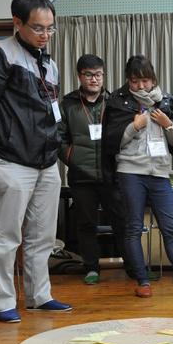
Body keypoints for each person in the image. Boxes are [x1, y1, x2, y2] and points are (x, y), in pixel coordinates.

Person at [0, 0, 71, 323]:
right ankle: (2, 302)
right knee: (6, 234)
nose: (45, 35)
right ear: (17, 22)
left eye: (50, 29)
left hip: (47, 162)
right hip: (12, 161)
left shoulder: (49, 63)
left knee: (43, 235)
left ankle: (40, 296)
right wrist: (1, 145)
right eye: (38, 28)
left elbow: (50, 112)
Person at [102, 54, 173, 298]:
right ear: (127, 80)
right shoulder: (119, 101)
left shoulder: (164, 100)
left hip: (161, 172)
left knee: (171, 229)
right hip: (131, 171)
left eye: (145, 80)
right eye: (135, 81)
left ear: (153, 79)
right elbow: (111, 143)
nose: (140, 86)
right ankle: (143, 281)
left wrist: (168, 125)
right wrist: (134, 126)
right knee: (134, 228)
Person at [58, 54, 131, 285]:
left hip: (111, 175)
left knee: (122, 223)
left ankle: (133, 266)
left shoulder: (114, 102)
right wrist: (73, 158)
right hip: (81, 176)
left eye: (98, 74)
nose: (94, 79)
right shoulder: (68, 104)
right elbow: (58, 138)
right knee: (86, 225)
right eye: (88, 74)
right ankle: (91, 267)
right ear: (79, 76)